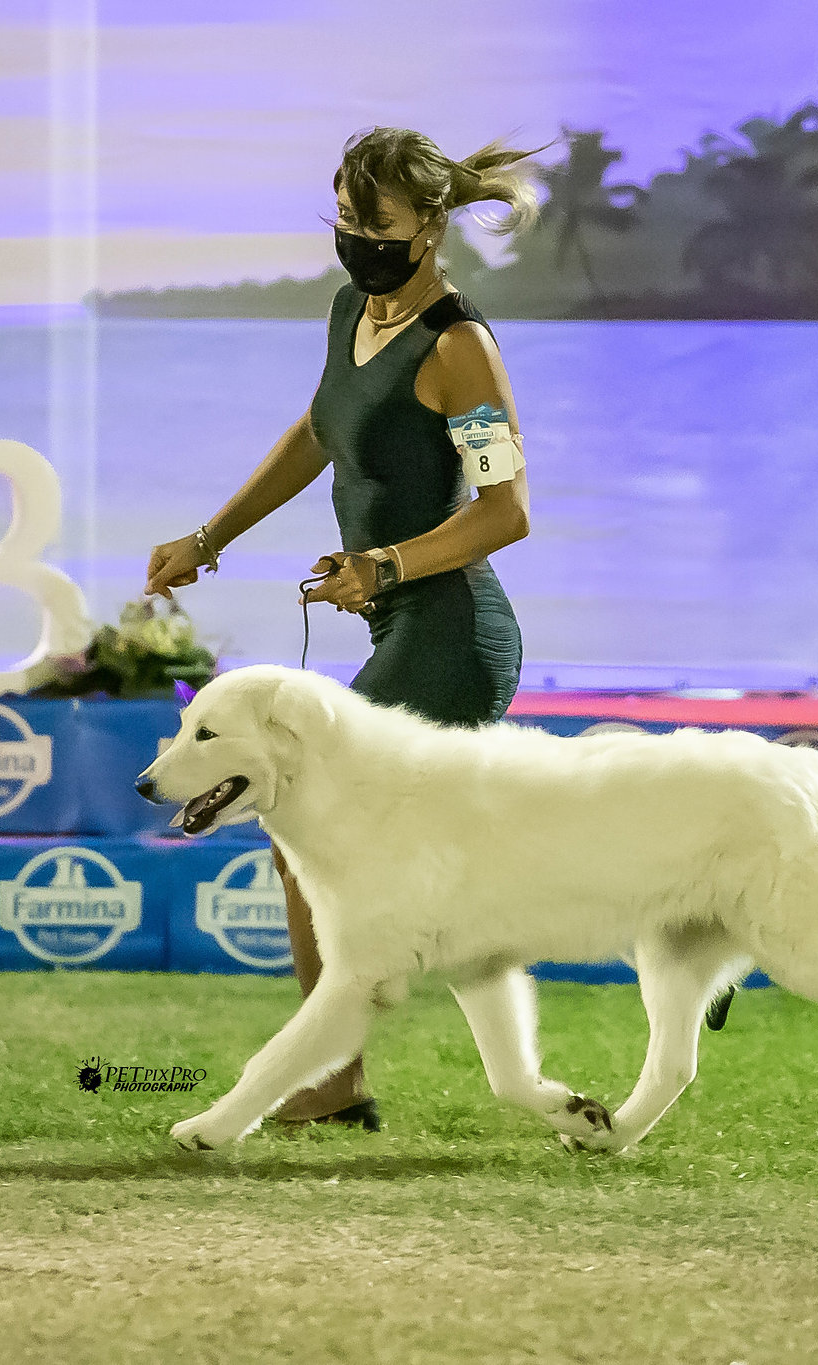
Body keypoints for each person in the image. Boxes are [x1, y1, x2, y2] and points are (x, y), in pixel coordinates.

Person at [145, 127, 545, 1130]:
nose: (356, 238)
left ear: (429, 226)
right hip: (396, 625)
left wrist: (384, 563)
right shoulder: (349, 312)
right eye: (344, 218)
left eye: (375, 222)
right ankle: (371, 1066)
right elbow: (319, 431)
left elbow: (506, 512)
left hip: (454, 637)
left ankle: (332, 1079)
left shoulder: (458, 346)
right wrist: (209, 537)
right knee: (423, 869)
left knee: (305, 829)